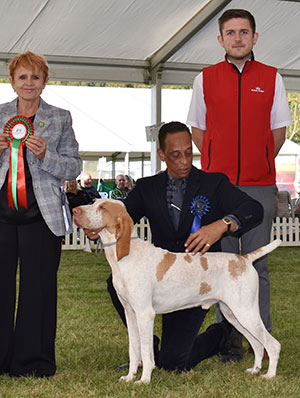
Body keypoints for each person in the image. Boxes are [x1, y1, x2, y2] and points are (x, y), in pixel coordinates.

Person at [94, 121, 263, 372]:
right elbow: (120, 218)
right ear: (162, 155)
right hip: (162, 280)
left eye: (188, 153)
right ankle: (145, 349)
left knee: (174, 365)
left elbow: (254, 210)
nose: (184, 161)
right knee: (115, 282)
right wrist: (94, 224)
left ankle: (220, 335)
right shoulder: (146, 188)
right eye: (175, 155)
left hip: (199, 281)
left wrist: (223, 223)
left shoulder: (214, 183)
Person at [186, 9, 292, 362]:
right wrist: (216, 163)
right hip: (219, 186)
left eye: (244, 32)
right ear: (221, 40)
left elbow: (279, 131)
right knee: (221, 266)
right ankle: (226, 340)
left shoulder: (273, 77)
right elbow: (197, 130)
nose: (237, 38)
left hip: (260, 185)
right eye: (230, 32)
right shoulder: (205, 78)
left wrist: (261, 158)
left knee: (256, 265)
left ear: (254, 37)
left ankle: (259, 340)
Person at [0, 50, 81, 377]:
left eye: (35, 77)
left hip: (42, 216)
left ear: (45, 82)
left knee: (39, 288)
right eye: (23, 77)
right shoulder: (0, 114)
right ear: (12, 82)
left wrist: (47, 155)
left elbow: (74, 166)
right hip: (1, 214)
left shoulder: (60, 117)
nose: (29, 83)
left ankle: (33, 362)